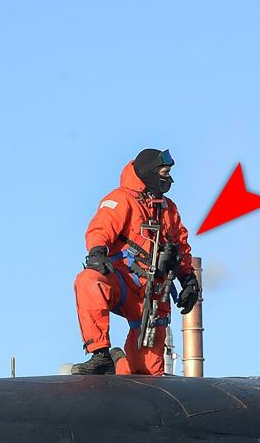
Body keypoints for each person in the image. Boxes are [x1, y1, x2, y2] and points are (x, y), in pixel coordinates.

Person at [71, 148, 200, 375]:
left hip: (152, 296)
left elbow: (181, 245)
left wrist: (188, 279)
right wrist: (97, 253)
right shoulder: (120, 200)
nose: (168, 179)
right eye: (164, 172)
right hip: (122, 280)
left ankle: (118, 363)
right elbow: (100, 229)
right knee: (89, 281)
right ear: (150, 173)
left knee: (146, 374)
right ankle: (100, 354)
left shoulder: (168, 209)